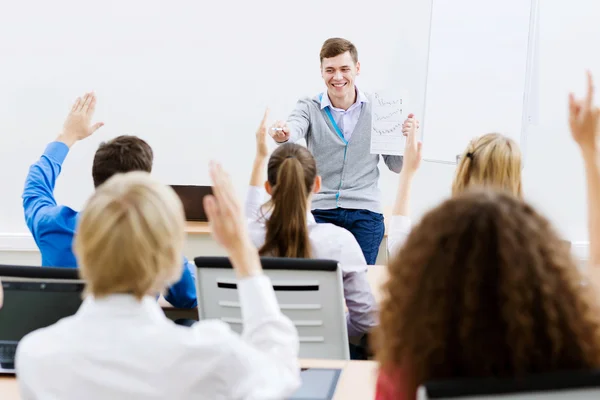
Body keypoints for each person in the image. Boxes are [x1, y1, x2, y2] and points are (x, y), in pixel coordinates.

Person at [375, 73, 600, 400]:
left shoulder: (407, 369)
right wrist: (589, 151)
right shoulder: (565, 348)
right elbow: (595, 272)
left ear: (462, 172)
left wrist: (408, 172)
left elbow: (397, 247)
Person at [16, 167, 301, 400]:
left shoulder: (36, 356)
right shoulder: (209, 354)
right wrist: (243, 254)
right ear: (171, 262)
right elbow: (280, 371)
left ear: (82, 251)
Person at [22, 92, 196, 308]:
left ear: (96, 179)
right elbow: (187, 297)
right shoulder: (156, 239)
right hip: (135, 340)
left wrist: (68, 136)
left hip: (71, 337)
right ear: (142, 185)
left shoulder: (52, 226)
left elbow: (34, 189)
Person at [247, 110, 377, 354]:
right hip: (324, 364)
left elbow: (250, 214)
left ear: (268, 187)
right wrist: (328, 330)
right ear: (317, 184)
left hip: (259, 362)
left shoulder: (246, 237)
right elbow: (366, 320)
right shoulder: (339, 242)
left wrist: (259, 157)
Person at [270, 37, 403, 265]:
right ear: (321, 72)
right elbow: (294, 127)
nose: (338, 77)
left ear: (357, 68)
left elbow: (397, 166)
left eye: (344, 69)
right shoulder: (309, 107)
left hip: (364, 212)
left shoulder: (380, 110)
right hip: (320, 210)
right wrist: (284, 132)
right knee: (316, 279)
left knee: (358, 282)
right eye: (330, 70)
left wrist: (403, 139)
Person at [387, 117, 523, 255]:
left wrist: (407, 174)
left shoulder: (451, 229)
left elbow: (400, 251)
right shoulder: (525, 238)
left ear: (466, 169)